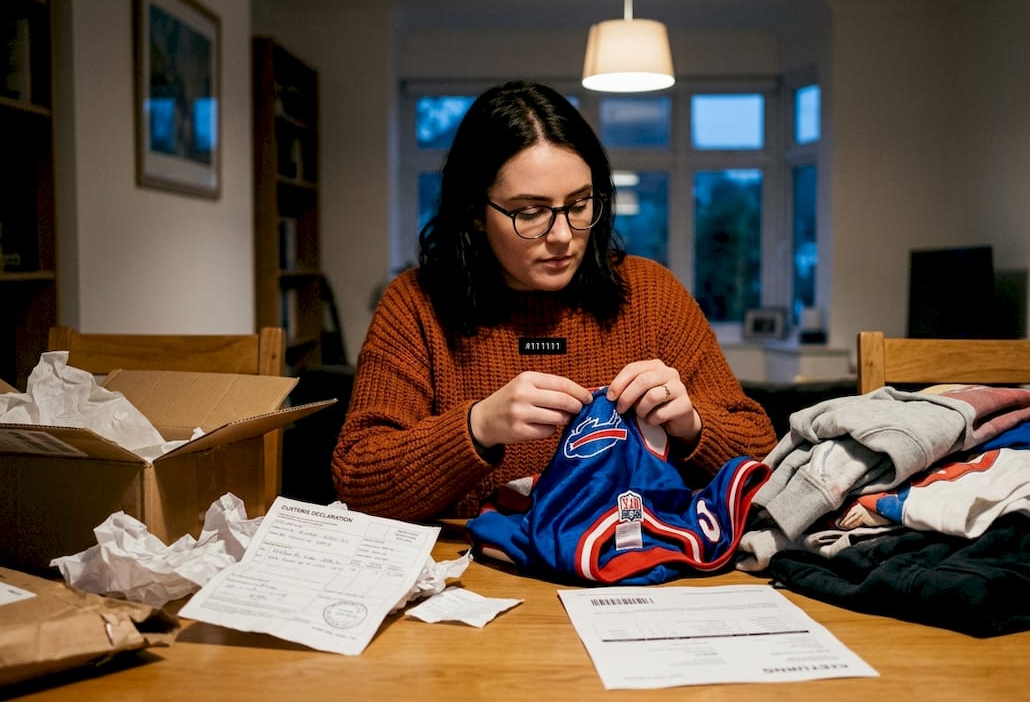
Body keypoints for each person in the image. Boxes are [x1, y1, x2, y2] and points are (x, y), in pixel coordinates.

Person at [332, 80, 777, 522]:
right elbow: (358, 484)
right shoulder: (416, 304)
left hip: (632, 570)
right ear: (474, 216)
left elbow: (765, 461)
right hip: (478, 579)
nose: (563, 236)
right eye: (530, 212)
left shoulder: (651, 293)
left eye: (580, 204)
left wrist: (691, 425)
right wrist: (478, 427)